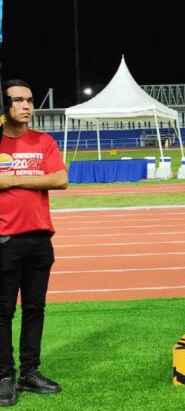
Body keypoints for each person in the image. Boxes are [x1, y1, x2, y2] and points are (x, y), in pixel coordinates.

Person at [0, 79, 67, 406]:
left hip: (40, 238)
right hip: (5, 240)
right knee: (2, 312)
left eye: (29, 100)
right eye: (17, 101)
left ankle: (30, 371)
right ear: (4, 106)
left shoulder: (43, 141)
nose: (26, 106)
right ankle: (4, 375)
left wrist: (12, 180)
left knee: (34, 309)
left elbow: (60, 179)